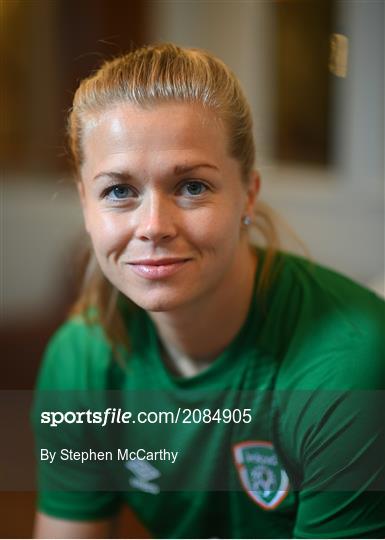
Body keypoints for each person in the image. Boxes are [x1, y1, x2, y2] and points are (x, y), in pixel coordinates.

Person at [32, 43, 384, 539]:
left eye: (192, 186)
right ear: (85, 205)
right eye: (118, 191)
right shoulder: (81, 359)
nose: (153, 226)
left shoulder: (347, 361)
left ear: (249, 193)